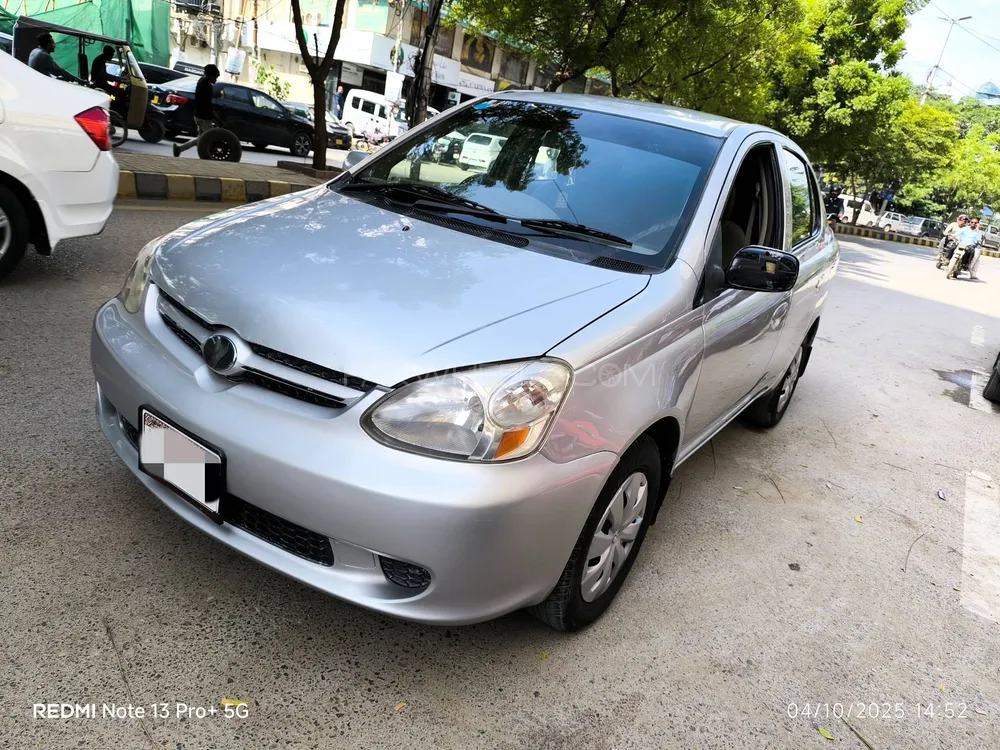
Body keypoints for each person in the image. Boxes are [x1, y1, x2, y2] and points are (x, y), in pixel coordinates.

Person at [173, 64, 220, 157]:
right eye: (215, 77)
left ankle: (179, 149)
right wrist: (216, 118)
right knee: (211, 137)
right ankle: (210, 155)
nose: (215, 79)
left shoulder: (201, 81)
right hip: (204, 117)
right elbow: (207, 105)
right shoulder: (206, 86)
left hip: (198, 115)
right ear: (210, 75)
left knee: (201, 138)